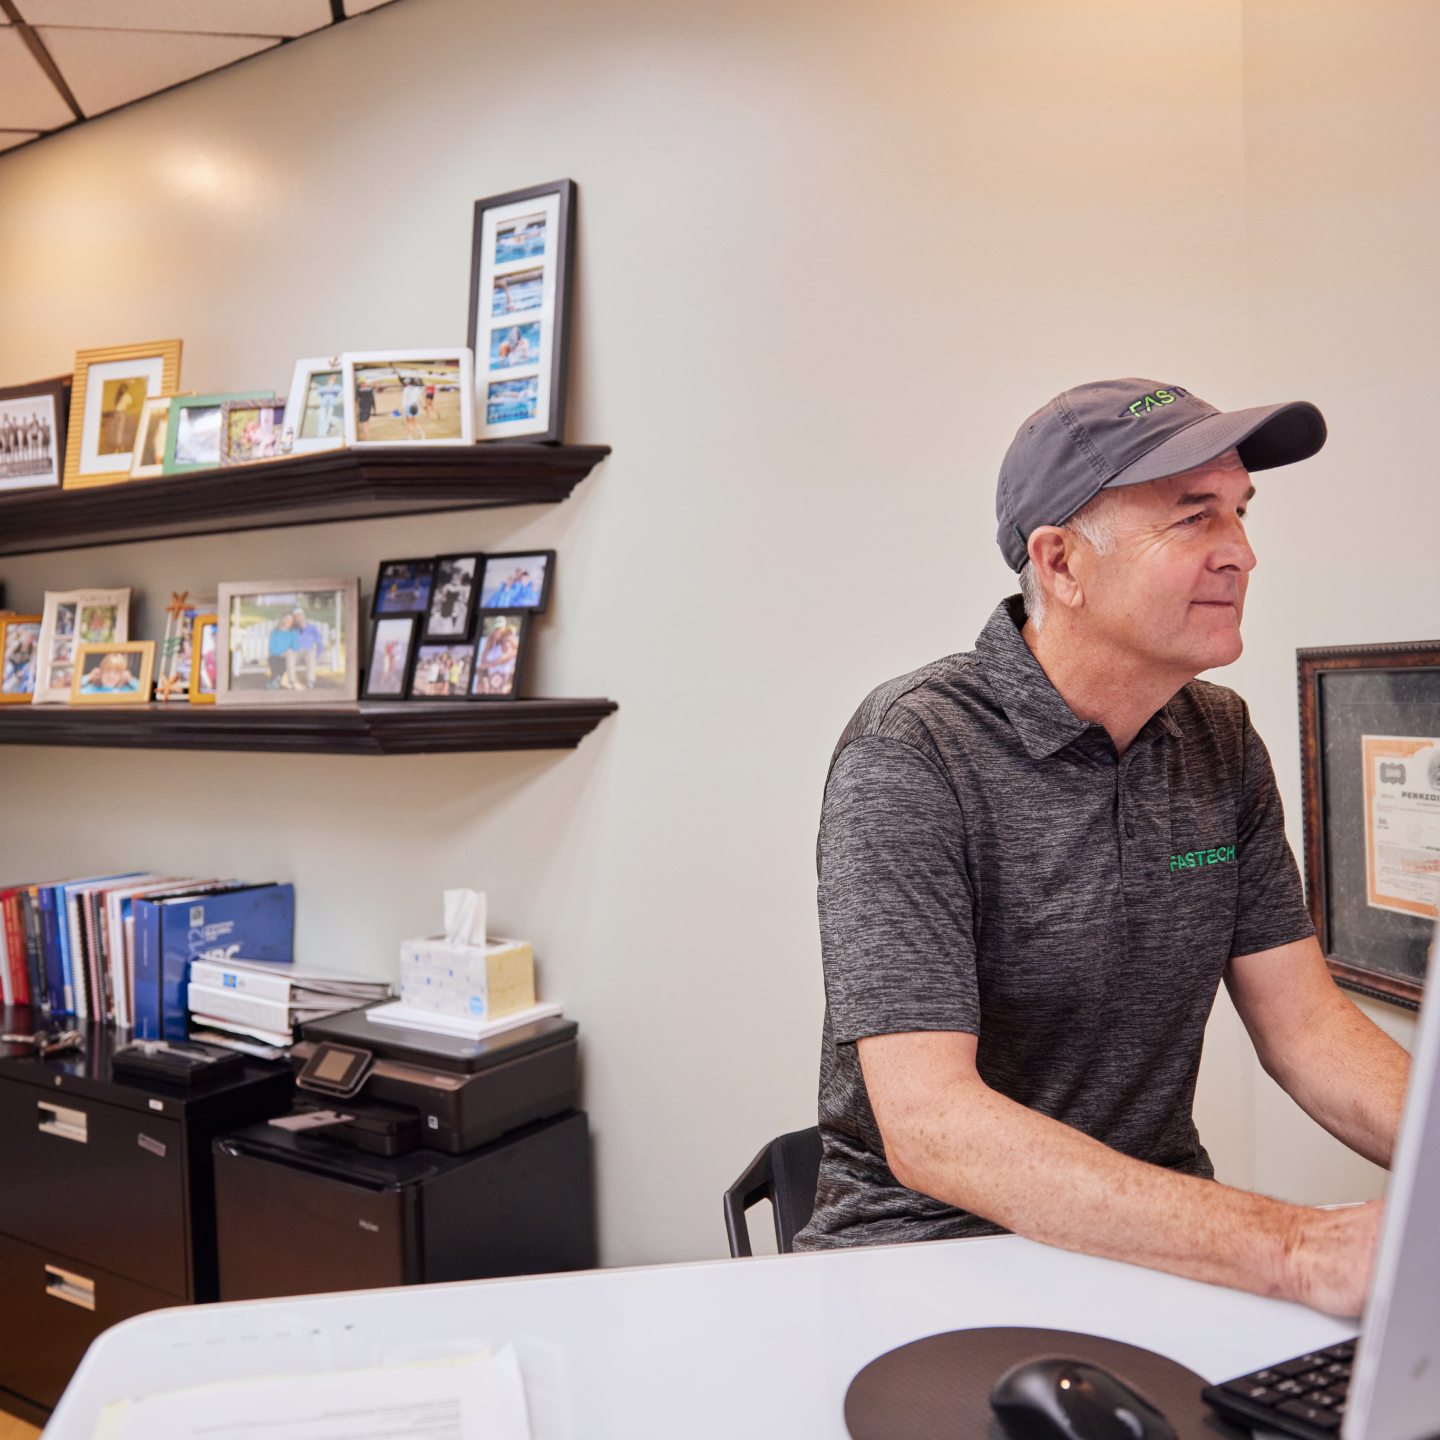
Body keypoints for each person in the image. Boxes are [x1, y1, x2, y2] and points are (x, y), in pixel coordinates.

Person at [794, 377, 1411, 1320]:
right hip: (927, 1256)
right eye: (1194, 517)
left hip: (1154, 1243)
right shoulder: (914, 750)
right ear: (1061, 563)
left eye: (1240, 513)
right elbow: (931, 1123)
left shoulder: (1219, 738)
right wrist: (1291, 1248)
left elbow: (1308, 1029)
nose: (1241, 552)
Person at [288, 607, 323, 689]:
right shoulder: (293, 629)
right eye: (296, 616)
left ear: (303, 615)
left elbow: (319, 643)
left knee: (310, 653)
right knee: (290, 654)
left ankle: (310, 681)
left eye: (300, 615)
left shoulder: (312, 628)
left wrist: (318, 656)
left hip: (307, 653)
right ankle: (292, 682)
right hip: (296, 653)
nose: (298, 617)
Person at [266, 614, 295, 689]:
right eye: (287, 619)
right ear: (283, 619)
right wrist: (280, 653)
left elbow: (294, 647)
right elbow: (271, 647)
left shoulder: (292, 633)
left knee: (283, 663)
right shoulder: (275, 631)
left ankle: (274, 681)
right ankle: (275, 679)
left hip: (285, 656)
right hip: (274, 655)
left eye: (290, 620)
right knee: (274, 661)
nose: (288, 621)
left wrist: (287, 652)